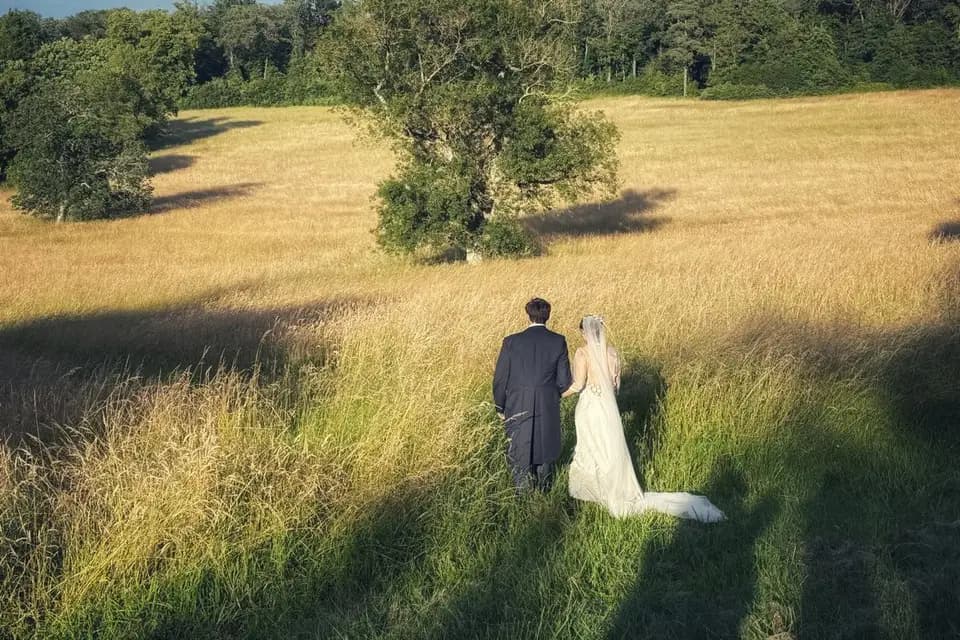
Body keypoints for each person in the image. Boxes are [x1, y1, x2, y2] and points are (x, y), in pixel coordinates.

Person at [564, 315, 724, 522]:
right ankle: (615, 486)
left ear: (583, 333)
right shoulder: (612, 353)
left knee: (592, 445)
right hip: (609, 407)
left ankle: (594, 489)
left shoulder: (582, 353)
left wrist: (555, 394)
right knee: (610, 448)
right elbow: (616, 386)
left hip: (589, 406)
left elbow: (577, 385)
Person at [493, 298, 572, 493]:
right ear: (548, 315)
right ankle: (544, 490)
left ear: (528, 314)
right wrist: (553, 394)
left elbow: (500, 378)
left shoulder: (511, 341)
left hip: (516, 401)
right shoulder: (558, 341)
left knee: (519, 445)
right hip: (547, 402)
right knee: (545, 443)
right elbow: (564, 381)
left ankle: (523, 493)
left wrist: (500, 406)